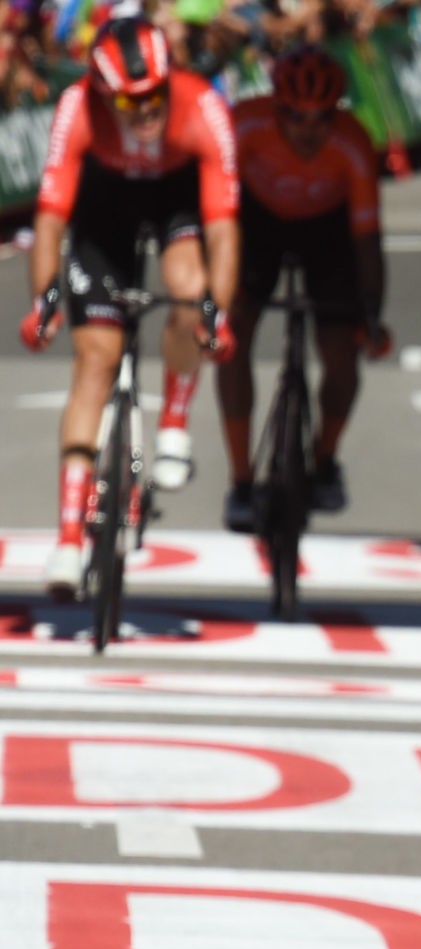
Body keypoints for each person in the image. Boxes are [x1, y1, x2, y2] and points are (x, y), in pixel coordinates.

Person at [22, 14, 238, 596]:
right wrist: (43, 297)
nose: (145, 110)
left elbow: (223, 226)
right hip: (105, 208)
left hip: (176, 201)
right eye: (127, 100)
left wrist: (217, 310)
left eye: (154, 95)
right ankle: (69, 538)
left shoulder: (202, 106)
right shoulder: (77, 107)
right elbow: (51, 215)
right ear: (101, 93)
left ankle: (174, 424)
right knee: (95, 361)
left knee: (189, 289)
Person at [215, 45, 388, 532]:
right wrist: (217, 299)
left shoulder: (353, 143)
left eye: (321, 117)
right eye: (294, 116)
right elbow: (217, 215)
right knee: (233, 335)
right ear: (276, 108)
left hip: (327, 230)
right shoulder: (244, 124)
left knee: (341, 351)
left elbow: (367, 240)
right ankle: (241, 480)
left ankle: (325, 461)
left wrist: (371, 315)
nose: (308, 129)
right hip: (257, 222)